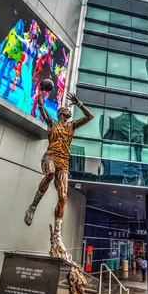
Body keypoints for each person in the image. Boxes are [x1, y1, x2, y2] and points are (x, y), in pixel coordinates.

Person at [23, 86, 93, 258]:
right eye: (66, 109)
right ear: (61, 113)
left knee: (63, 197)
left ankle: (57, 233)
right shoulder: (52, 123)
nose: (69, 110)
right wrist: (41, 91)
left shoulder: (72, 126)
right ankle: (32, 207)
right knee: (49, 174)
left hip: (63, 163)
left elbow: (89, 116)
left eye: (70, 109)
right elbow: (40, 106)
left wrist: (79, 103)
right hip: (50, 158)